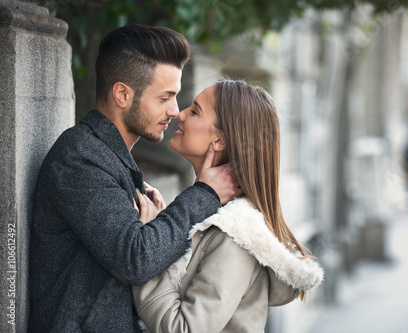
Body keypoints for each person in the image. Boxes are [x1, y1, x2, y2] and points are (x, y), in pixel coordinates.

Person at [28, 24, 241, 332]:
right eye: (165, 97)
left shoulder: (111, 159)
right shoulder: (78, 158)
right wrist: (204, 194)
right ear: (123, 94)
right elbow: (136, 258)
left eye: (176, 97)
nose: (174, 111)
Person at [132, 80, 324, 332]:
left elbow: (185, 328)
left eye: (195, 111)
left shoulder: (235, 235)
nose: (179, 113)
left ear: (220, 141)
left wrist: (147, 254)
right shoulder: (209, 218)